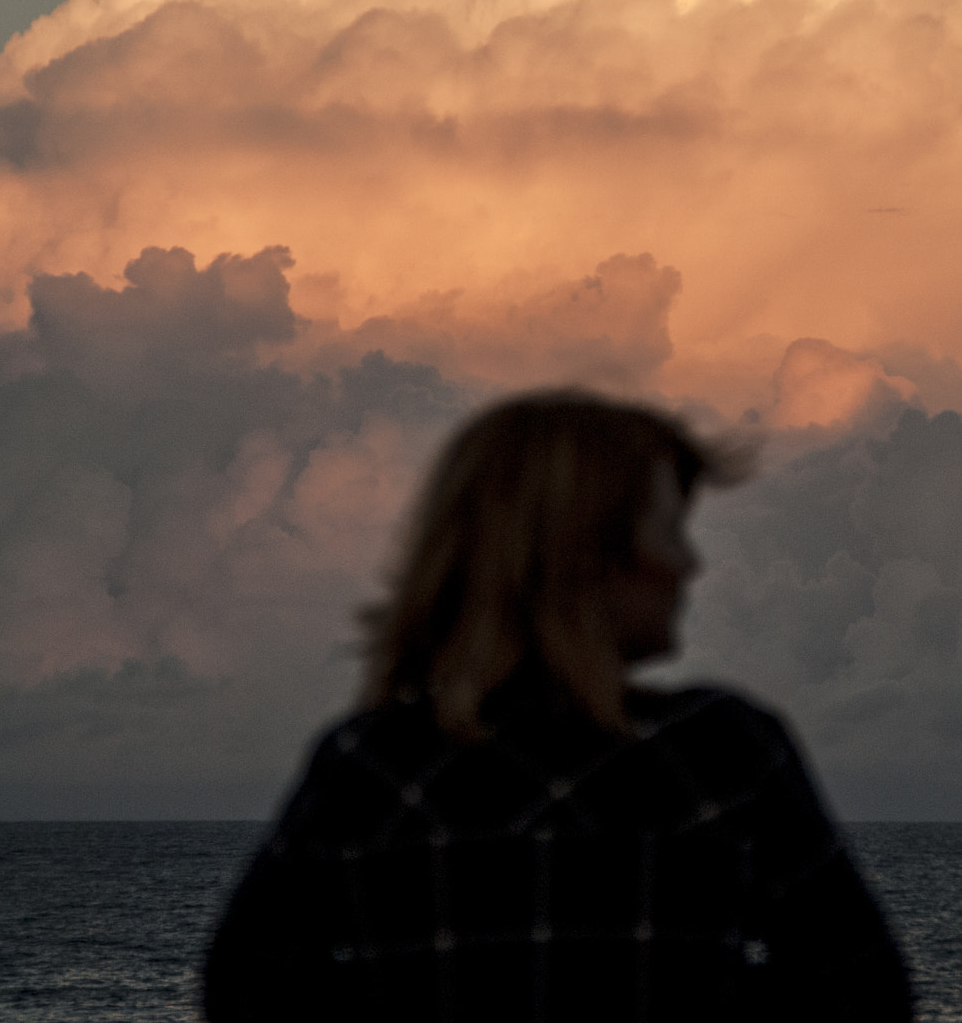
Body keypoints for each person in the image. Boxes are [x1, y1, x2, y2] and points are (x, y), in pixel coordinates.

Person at [203, 390, 912, 1022]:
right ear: (591, 556)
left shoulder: (369, 767)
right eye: (669, 530)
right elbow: (863, 991)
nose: (689, 564)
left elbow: (245, 989)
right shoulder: (722, 753)